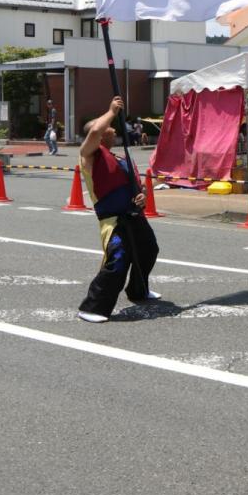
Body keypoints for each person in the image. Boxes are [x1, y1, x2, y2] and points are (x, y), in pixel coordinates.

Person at [77, 95, 160, 324]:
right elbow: (95, 131)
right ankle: (93, 306)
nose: (113, 129)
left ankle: (138, 290)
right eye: (109, 126)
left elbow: (134, 187)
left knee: (148, 250)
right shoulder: (89, 155)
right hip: (113, 219)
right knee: (118, 260)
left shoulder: (119, 157)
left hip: (133, 214)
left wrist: (142, 196)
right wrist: (112, 110)